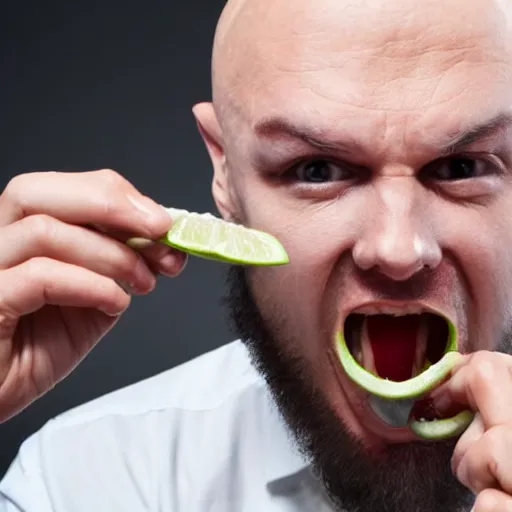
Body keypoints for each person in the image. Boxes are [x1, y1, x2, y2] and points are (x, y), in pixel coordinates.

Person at [1, 0, 512, 510]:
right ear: (224, 172)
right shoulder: (85, 479)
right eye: (316, 170)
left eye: (462, 167)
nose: (398, 250)